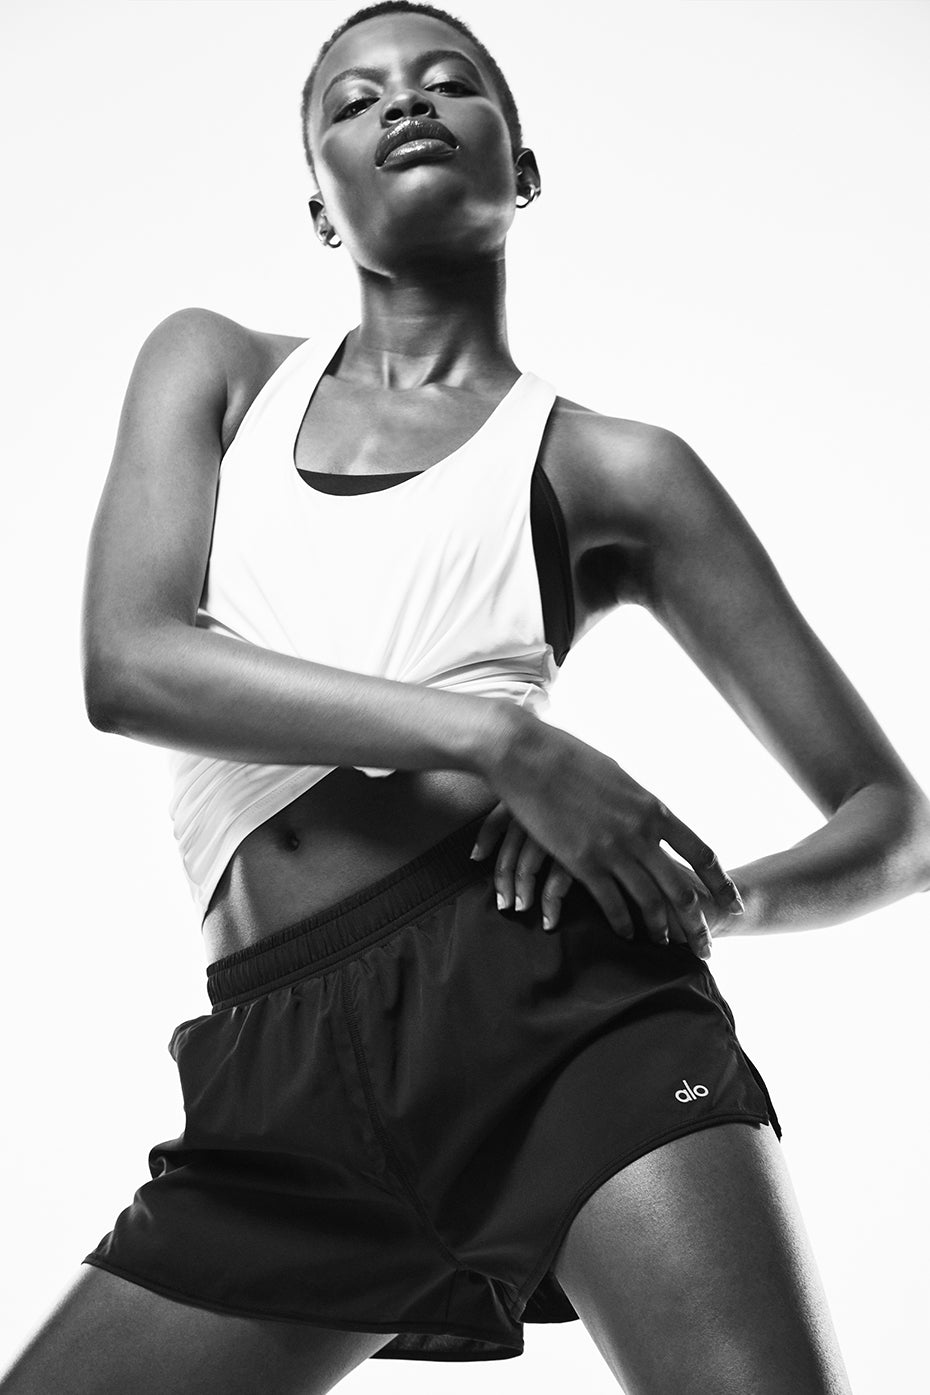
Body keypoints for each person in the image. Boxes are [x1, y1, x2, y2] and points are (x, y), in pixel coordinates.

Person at [3, 2, 928, 1392]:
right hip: (279, 1064)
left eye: (449, 83)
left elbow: (895, 821)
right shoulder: (216, 371)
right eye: (352, 100)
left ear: (524, 166)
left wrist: (703, 901)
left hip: (557, 1011)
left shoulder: (614, 470)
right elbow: (128, 668)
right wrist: (502, 742)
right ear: (319, 205)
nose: (404, 103)